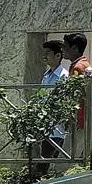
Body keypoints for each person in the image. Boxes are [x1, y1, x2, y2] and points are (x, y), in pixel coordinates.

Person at [34, 40, 69, 175]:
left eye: (48, 53)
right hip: (44, 126)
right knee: (44, 160)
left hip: (56, 127)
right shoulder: (46, 75)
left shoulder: (63, 76)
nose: (45, 56)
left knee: (48, 162)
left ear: (58, 56)